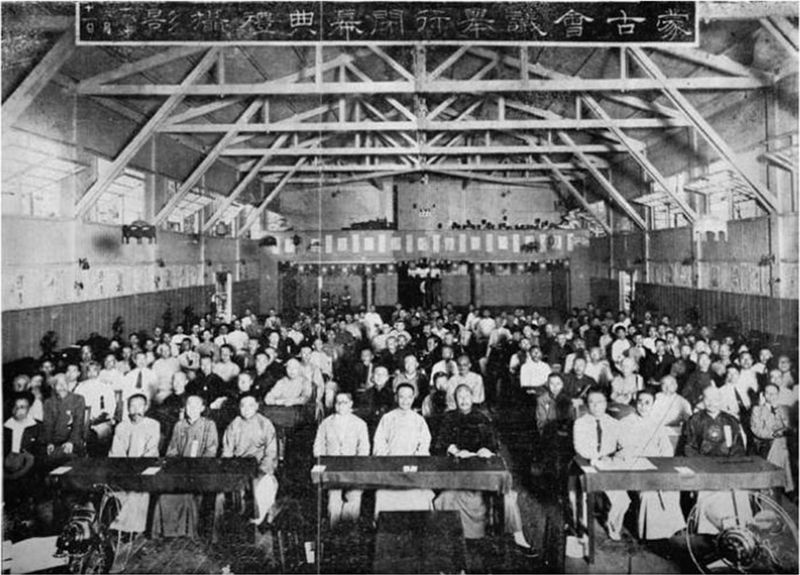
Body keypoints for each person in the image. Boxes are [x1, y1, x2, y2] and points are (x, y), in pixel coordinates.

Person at [433, 384, 535, 552]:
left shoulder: (482, 417)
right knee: (445, 498)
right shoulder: (448, 418)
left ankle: (518, 536)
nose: (464, 400)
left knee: (506, 497)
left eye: (467, 396)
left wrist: (486, 450)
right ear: (455, 400)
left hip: (481, 467)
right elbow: (441, 443)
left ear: (473, 398)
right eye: (460, 396)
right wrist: (456, 450)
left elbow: (493, 444)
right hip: (459, 468)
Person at [680, 386, 749, 534]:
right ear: (702, 400)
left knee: (737, 490)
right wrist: (703, 464)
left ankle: (735, 530)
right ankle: (708, 531)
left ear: (721, 400)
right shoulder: (695, 419)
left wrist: (730, 464)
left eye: (715, 399)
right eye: (707, 399)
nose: (711, 403)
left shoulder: (731, 420)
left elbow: (738, 447)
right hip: (704, 467)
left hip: (727, 466)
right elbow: (689, 447)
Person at [618, 391, 685, 540]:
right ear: (635, 403)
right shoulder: (626, 422)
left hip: (656, 465)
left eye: (647, 403)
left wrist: (661, 464)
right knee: (649, 494)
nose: (643, 406)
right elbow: (623, 448)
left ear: (653, 405)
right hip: (635, 466)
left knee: (671, 488)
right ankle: (650, 534)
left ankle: (671, 529)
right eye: (640, 402)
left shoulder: (657, 423)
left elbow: (666, 448)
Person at [152, 394, 219, 538]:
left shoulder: (209, 425)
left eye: (196, 405)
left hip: (200, 469)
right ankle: (167, 531)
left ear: (202, 408)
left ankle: (186, 531)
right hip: (180, 468)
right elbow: (172, 450)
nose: (192, 408)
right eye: (189, 405)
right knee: (165, 491)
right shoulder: (179, 425)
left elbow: (211, 450)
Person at [573, 388, 629, 540]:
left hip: (608, 465)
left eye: (599, 402)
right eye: (591, 402)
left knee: (623, 501)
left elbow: (624, 446)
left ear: (606, 404)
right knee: (582, 495)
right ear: (587, 405)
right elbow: (580, 448)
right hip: (586, 464)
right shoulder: (580, 423)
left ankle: (612, 524)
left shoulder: (614, 423)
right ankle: (582, 529)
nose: (595, 406)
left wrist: (617, 455)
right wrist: (598, 457)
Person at [372, 383, 435, 516]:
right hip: (391, 468)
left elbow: (424, 445)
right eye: (401, 397)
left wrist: (414, 461)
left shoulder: (419, 420)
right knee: (383, 495)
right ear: (396, 398)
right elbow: (379, 444)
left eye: (409, 397)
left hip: (413, 469)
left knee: (421, 495)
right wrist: (389, 460)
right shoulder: (387, 418)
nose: (405, 401)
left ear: (413, 398)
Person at [312, 392, 370, 527]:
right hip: (333, 470)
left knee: (355, 497)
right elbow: (318, 446)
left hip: (353, 469)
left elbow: (364, 449)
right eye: (338, 402)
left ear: (350, 404)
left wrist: (357, 465)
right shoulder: (326, 423)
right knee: (333, 501)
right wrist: (325, 462)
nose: (340, 405)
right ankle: (334, 531)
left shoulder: (360, 424)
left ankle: (350, 533)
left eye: (344, 402)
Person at [221, 394, 278, 527]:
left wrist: (262, 470)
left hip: (259, 467)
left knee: (263, 485)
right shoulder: (234, 424)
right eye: (243, 405)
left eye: (250, 405)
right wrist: (227, 469)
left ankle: (260, 521)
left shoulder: (265, 424)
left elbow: (271, 452)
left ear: (257, 406)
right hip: (238, 467)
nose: (246, 409)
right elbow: (227, 450)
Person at [109, 394, 160, 536]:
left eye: (139, 406)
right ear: (128, 409)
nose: (136, 410)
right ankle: (118, 525)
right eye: (132, 406)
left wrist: (138, 469)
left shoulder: (153, 425)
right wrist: (124, 468)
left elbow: (151, 451)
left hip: (145, 468)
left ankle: (132, 529)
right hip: (124, 468)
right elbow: (116, 452)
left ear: (146, 407)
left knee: (137, 491)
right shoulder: (121, 426)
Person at [750, 383, 794, 494]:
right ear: (763, 395)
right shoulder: (757, 410)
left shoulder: (784, 409)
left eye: (773, 393)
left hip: (782, 446)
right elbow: (757, 430)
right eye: (767, 393)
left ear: (778, 394)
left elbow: (788, 426)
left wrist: (777, 409)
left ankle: (781, 489)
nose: (770, 396)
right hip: (766, 445)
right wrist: (774, 434)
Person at [42, 373, 86, 464]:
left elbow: (78, 424)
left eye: (64, 383)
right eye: (58, 384)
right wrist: (49, 442)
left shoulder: (78, 399)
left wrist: (71, 442)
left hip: (73, 440)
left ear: (69, 385)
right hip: (55, 441)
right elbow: (48, 424)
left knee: (68, 458)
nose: (62, 386)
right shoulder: (48, 402)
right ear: (53, 386)